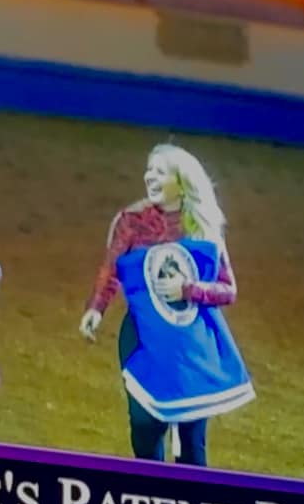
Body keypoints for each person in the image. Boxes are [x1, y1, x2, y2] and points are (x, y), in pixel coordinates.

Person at [79, 143, 255, 466]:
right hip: (142, 336)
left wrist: (188, 290)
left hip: (190, 345)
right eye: (149, 170)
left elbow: (228, 290)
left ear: (181, 181)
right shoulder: (131, 220)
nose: (150, 176)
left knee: (191, 441)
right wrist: (95, 308)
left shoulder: (202, 226)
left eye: (160, 172)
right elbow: (111, 269)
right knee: (145, 426)